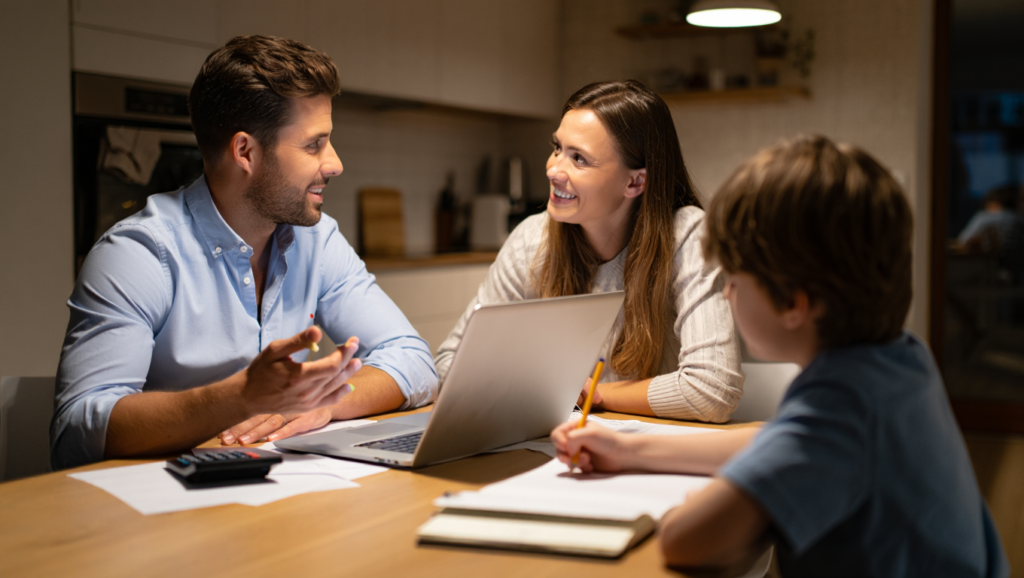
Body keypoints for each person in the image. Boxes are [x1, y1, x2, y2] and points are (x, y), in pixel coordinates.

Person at [551, 135, 1010, 577]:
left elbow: (687, 540)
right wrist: (629, 449)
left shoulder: (842, 409)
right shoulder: (896, 359)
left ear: (793, 304)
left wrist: (692, 506)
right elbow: (773, 441)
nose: (727, 293)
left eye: (734, 278)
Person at [51, 35, 437, 469]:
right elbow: (76, 432)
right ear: (245, 151)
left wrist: (324, 402)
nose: (334, 164)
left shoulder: (318, 240)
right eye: (314, 145)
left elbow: (414, 358)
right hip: (163, 509)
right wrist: (240, 397)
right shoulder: (138, 254)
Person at [435, 81, 742, 421]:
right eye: (557, 148)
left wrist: (593, 394)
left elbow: (713, 390)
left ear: (635, 183)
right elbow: (450, 366)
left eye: (578, 158)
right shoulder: (532, 239)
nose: (553, 169)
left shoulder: (686, 235)